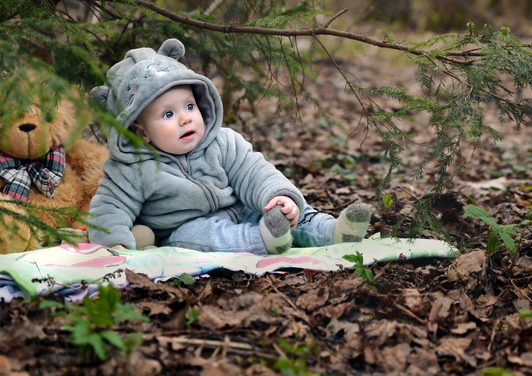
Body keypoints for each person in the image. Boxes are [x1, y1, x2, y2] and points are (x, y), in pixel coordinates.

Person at [87, 38, 371, 254]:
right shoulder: (132, 168)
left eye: (189, 106)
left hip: (241, 208)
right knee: (204, 235)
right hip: (185, 227)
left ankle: (331, 231)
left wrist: (279, 197)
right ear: (141, 131)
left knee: (285, 210)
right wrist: (114, 242)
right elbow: (110, 206)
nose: (186, 118)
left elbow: (254, 172)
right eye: (168, 114)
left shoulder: (223, 141)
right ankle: (263, 240)